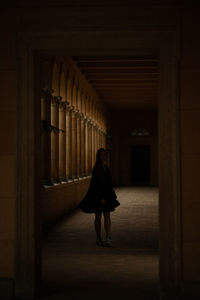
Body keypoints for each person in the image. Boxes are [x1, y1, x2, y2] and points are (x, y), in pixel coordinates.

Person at [78, 148, 120, 247]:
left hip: (106, 195)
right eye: (101, 155)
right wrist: (100, 197)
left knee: (107, 215)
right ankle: (98, 238)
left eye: (104, 155)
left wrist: (109, 195)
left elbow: (108, 183)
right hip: (97, 196)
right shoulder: (96, 168)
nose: (103, 156)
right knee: (98, 216)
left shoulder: (106, 167)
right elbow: (95, 184)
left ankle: (108, 237)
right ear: (98, 156)